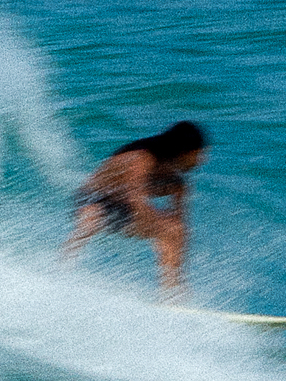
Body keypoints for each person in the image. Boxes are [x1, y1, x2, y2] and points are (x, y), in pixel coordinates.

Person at [63, 121, 208, 290]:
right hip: (93, 199)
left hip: (125, 209)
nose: (202, 160)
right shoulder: (141, 159)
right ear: (186, 151)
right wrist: (154, 225)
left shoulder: (177, 182)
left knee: (175, 230)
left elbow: (180, 225)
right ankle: (62, 269)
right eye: (199, 154)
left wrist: (166, 236)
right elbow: (135, 200)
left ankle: (173, 292)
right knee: (92, 217)